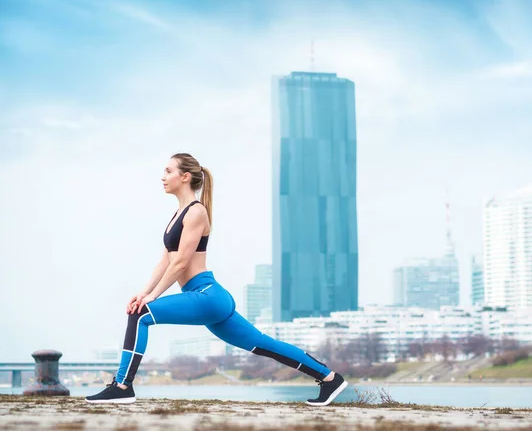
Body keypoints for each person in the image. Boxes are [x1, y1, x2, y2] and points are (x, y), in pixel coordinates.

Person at [85, 153, 348, 406]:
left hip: (206, 296)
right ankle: (329, 378)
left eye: (168, 171)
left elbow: (181, 262)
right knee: (263, 344)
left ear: (185, 176)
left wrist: (152, 298)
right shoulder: (177, 216)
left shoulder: (196, 212)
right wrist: (143, 293)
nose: (162, 176)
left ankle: (122, 387)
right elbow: (165, 261)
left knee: (141, 315)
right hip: (207, 299)